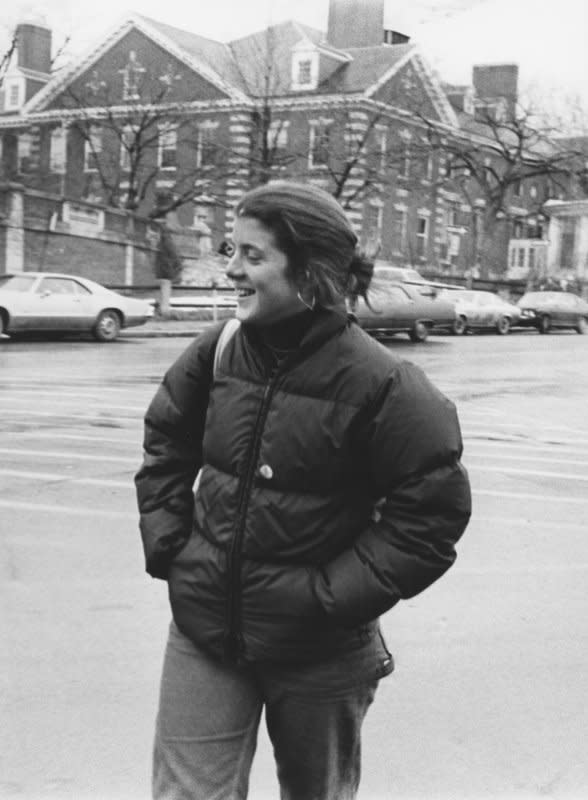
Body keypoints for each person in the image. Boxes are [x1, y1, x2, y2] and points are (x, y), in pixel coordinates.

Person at [135, 180, 472, 800]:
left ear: (313, 272)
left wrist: (326, 597)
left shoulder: (386, 384)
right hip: (206, 627)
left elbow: (430, 518)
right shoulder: (219, 350)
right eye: (228, 249)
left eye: (252, 256)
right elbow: (165, 442)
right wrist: (172, 547)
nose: (230, 269)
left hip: (321, 648)